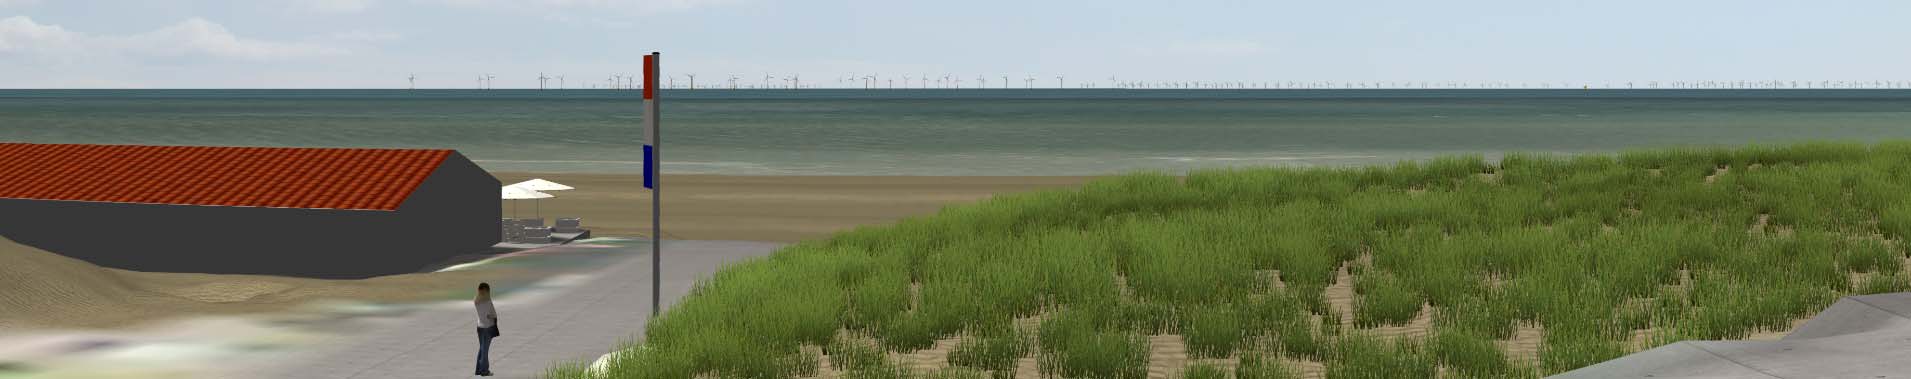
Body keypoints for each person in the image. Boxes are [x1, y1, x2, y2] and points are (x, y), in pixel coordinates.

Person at [474, 282, 499, 376]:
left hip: (479, 327)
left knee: (482, 349)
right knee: (485, 351)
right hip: (488, 327)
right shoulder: (488, 301)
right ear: (487, 291)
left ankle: (478, 370)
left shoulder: (476, 301)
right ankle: (484, 371)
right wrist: (491, 316)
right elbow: (493, 315)